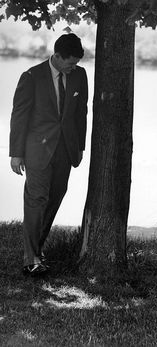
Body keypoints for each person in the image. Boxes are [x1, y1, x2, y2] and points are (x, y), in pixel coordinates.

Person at [9, 33, 88, 276]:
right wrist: (16, 153)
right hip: (36, 151)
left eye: (76, 63)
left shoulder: (80, 75)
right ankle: (30, 259)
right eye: (70, 62)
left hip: (65, 150)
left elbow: (81, 113)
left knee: (54, 198)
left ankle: (37, 249)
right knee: (36, 200)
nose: (73, 67)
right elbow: (19, 116)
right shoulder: (31, 77)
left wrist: (80, 147)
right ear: (57, 56)